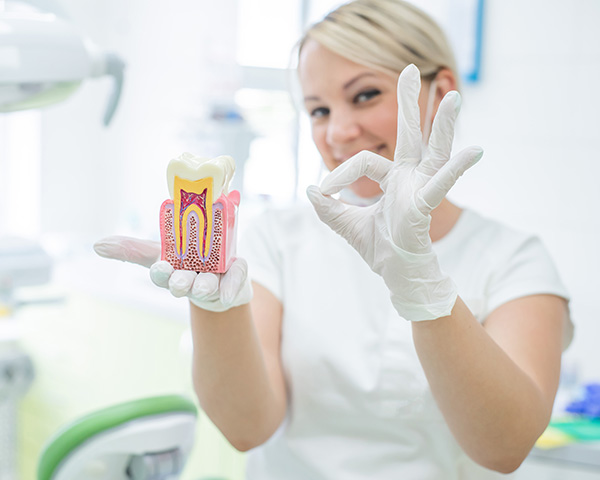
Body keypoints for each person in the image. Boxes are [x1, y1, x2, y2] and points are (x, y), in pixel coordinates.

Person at [94, 0, 573, 478]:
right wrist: (217, 312)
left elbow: (505, 448)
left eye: (365, 95)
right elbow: (248, 428)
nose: (340, 131)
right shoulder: (276, 238)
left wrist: (423, 288)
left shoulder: (515, 260)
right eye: (319, 109)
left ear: (439, 91)